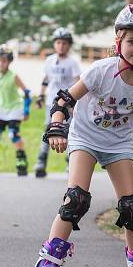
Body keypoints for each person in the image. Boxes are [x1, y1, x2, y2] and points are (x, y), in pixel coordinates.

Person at [22, 3, 133, 267]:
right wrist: (57, 126)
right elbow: (64, 100)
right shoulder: (101, 70)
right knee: (76, 200)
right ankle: (47, 264)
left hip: (119, 144)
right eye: (132, 41)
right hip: (85, 137)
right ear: (118, 41)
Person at [34, 28, 81, 178]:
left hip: (68, 105)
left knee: (70, 132)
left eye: (64, 43)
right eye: (58, 42)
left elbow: (77, 83)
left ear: (69, 45)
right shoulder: (49, 60)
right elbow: (46, 79)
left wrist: (75, 104)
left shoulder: (72, 62)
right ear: (54, 44)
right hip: (51, 103)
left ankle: (70, 163)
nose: (61, 46)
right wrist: (40, 96)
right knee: (49, 130)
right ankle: (41, 163)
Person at [0, 45, 32, 176]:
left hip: (15, 109)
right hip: (0, 110)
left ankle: (22, 160)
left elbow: (26, 92)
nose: (1, 63)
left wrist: (26, 110)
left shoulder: (14, 76)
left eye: (4, 61)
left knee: (13, 134)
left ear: (9, 62)